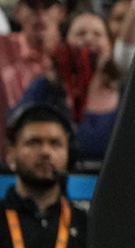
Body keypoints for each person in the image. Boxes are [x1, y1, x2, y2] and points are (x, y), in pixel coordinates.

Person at [0, 102, 86, 248]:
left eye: (55, 143)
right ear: (10, 155)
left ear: (68, 154)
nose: (46, 152)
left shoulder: (88, 226)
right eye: (34, 142)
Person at [17, 11, 122, 165]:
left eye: (97, 34)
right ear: (64, 44)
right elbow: (17, 131)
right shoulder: (46, 87)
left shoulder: (126, 90)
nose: (88, 39)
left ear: (110, 45)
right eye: (80, 33)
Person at [0, 0, 66, 158]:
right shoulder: (2, 48)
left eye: (47, 5)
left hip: (61, 163)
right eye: (32, 5)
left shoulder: (74, 57)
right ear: (17, 11)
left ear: (61, 12)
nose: (40, 13)